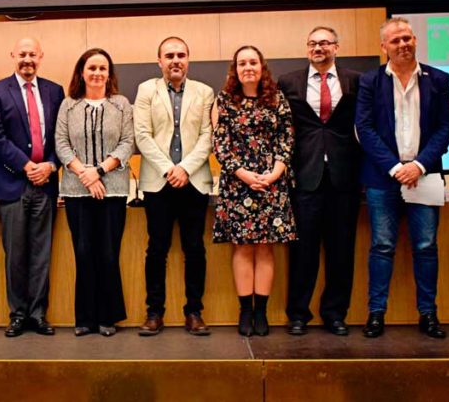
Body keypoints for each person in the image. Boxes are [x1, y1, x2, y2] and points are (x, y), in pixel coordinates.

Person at [355, 17, 449, 340]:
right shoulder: (370, 82)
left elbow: (445, 128)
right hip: (383, 178)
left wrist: (420, 165)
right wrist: (396, 168)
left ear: (415, 40)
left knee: (426, 246)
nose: (403, 44)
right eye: (395, 40)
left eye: (407, 38)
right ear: (383, 46)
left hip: (424, 176)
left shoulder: (438, 79)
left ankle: (428, 314)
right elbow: (364, 129)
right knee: (382, 246)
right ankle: (376, 314)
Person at [277, 27, 362, 336]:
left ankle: (335, 314)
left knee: (342, 250)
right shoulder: (288, 82)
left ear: (336, 47)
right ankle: (298, 314)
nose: (318, 47)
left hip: (344, 176)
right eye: (312, 43)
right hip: (305, 175)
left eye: (324, 43)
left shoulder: (355, 80)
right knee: (303, 251)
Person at [211, 45, 296, 337]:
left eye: (253, 62)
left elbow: (287, 139)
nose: (248, 67)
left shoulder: (277, 98)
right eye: (242, 63)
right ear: (235, 69)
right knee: (243, 247)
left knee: (265, 248)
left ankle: (262, 312)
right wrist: (245, 175)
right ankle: (245, 311)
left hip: (272, 183)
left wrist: (273, 174)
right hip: (238, 184)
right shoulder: (224, 100)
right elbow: (220, 144)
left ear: (262, 67)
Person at [133, 36, 214, 336]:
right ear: (159, 61)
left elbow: (208, 136)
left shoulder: (205, 92)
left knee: (195, 249)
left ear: (188, 59)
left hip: (194, 181)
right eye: (169, 55)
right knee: (157, 249)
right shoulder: (146, 90)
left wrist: (185, 169)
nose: (175, 60)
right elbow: (142, 135)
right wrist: (170, 169)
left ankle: (194, 312)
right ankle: (154, 312)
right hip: (158, 183)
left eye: (181, 54)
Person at [0, 37, 64, 337]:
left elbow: (61, 136)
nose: (27, 59)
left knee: (41, 253)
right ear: (12, 56)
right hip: (12, 183)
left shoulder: (54, 91)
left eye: (32, 54)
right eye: (22, 54)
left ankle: (38, 314)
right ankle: (17, 314)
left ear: (41, 57)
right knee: (15, 253)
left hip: (46, 184)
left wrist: (51, 165)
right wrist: (27, 165)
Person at [55, 48, 134, 337]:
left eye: (103, 68)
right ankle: (84, 318)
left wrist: (98, 171)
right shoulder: (68, 105)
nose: (98, 73)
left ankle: (107, 316)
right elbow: (61, 144)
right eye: (92, 68)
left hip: (113, 190)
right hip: (77, 192)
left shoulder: (122, 104)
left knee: (109, 253)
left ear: (109, 74)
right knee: (84, 252)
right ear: (82, 72)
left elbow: (127, 143)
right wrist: (86, 176)